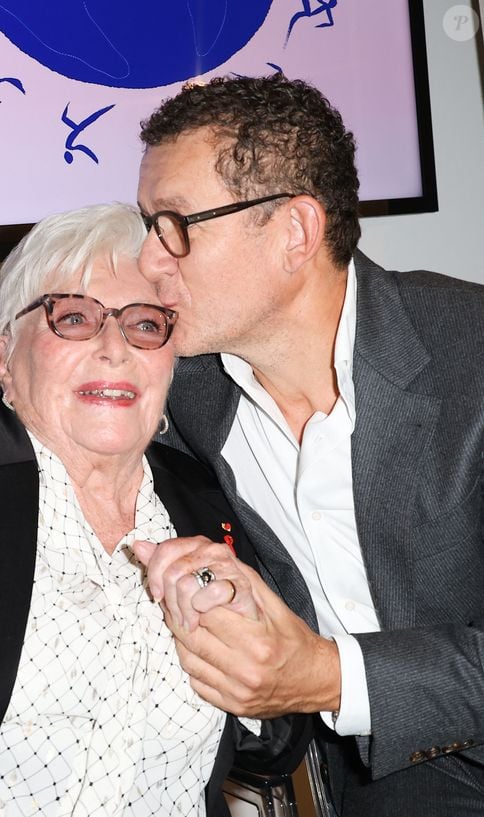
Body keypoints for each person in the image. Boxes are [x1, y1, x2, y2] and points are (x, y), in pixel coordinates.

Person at [134, 73, 484, 816]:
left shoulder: (473, 357)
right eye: (147, 225)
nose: (150, 259)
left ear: (294, 232)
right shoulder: (190, 390)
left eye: (176, 224)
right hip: (375, 782)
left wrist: (325, 675)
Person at [0, 203, 306, 817]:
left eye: (145, 324)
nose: (115, 348)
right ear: (4, 355)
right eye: (73, 317)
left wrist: (249, 645)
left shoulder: (208, 497)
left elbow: (276, 746)